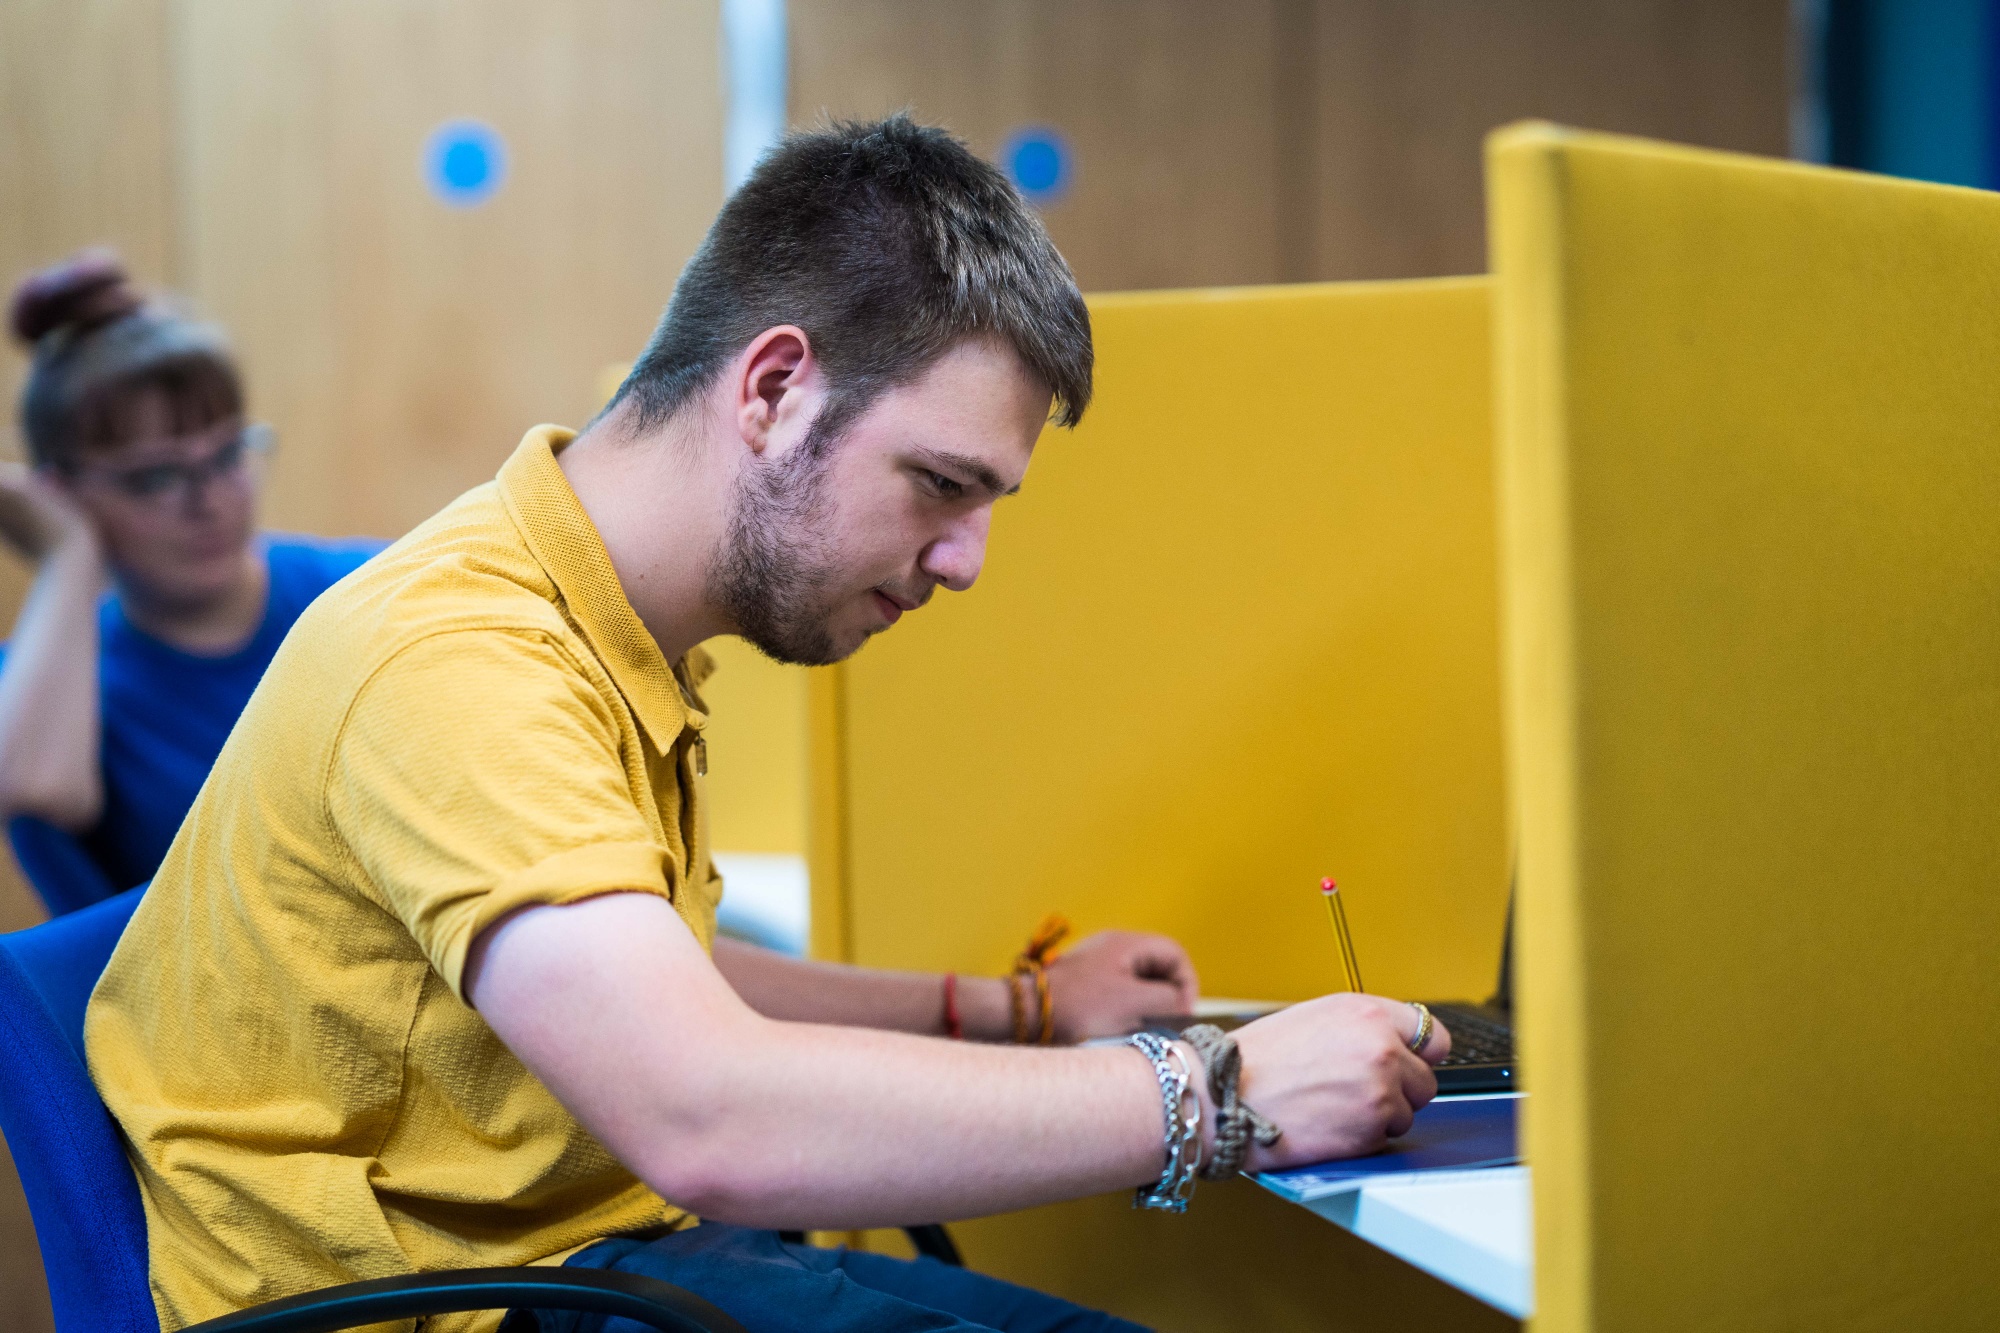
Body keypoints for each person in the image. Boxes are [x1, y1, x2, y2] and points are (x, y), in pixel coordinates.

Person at [86, 117, 1451, 1333]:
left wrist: (1019, 1009)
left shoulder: (595, 617)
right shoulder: (463, 662)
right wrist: (1211, 1089)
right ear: (773, 386)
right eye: (939, 484)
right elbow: (704, 1109)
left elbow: (657, 981)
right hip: (448, 1302)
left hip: (590, 1260)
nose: (966, 560)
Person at [0, 253, 382, 912]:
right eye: (155, 477)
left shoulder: (362, 588)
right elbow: (34, 785)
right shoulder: (49, 682)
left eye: (228, 455)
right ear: (62, 493)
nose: (208, 500)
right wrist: (68, 556)